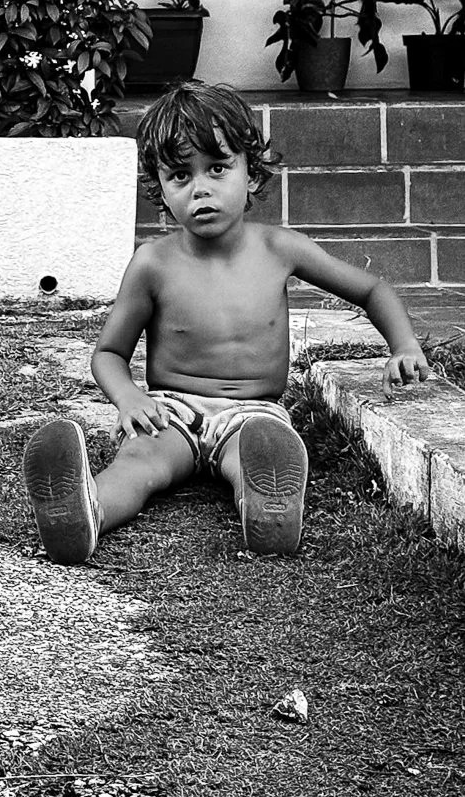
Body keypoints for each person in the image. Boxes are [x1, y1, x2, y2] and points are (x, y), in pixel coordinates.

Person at [23, 80, 430, 562]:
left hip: (252, 412)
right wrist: (130, 398)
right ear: (161, 189)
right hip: (172, 410)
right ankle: (84, 512)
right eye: (180, 175)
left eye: (217, 168)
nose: (200, 188)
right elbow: (109, 353)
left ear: (251, 174)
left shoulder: (279, 248)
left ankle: (269, 509)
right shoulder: (153, 263)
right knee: (140, 461)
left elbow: (371, 289)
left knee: (255, 455)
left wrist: (404, 345)